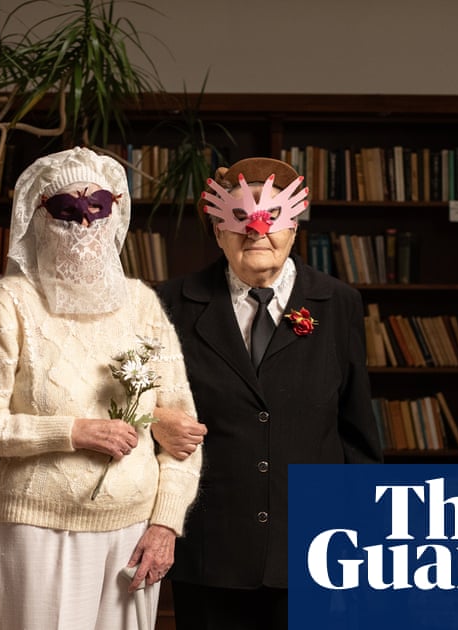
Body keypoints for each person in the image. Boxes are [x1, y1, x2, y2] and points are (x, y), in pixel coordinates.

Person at [0, 147, 202, 630]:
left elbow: (184, 435)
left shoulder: (142, 304)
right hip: (41, 529)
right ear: (37, 216)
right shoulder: (6, 305)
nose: (83, 225)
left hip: (135, 530)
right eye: (66, 211)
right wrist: (73, 432)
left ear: (116, 213)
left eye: (98, 208)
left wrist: (166, 522)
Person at [153, 157, 383, 630]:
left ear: (294, 227)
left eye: (272, 218)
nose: (257, 231)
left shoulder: (338, 303)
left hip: (312, 548)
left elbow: (356, 430)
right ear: (217, 230)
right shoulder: (171, 303)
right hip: (209, 548)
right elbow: (133, 403)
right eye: (239, 219)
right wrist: (152, 422)